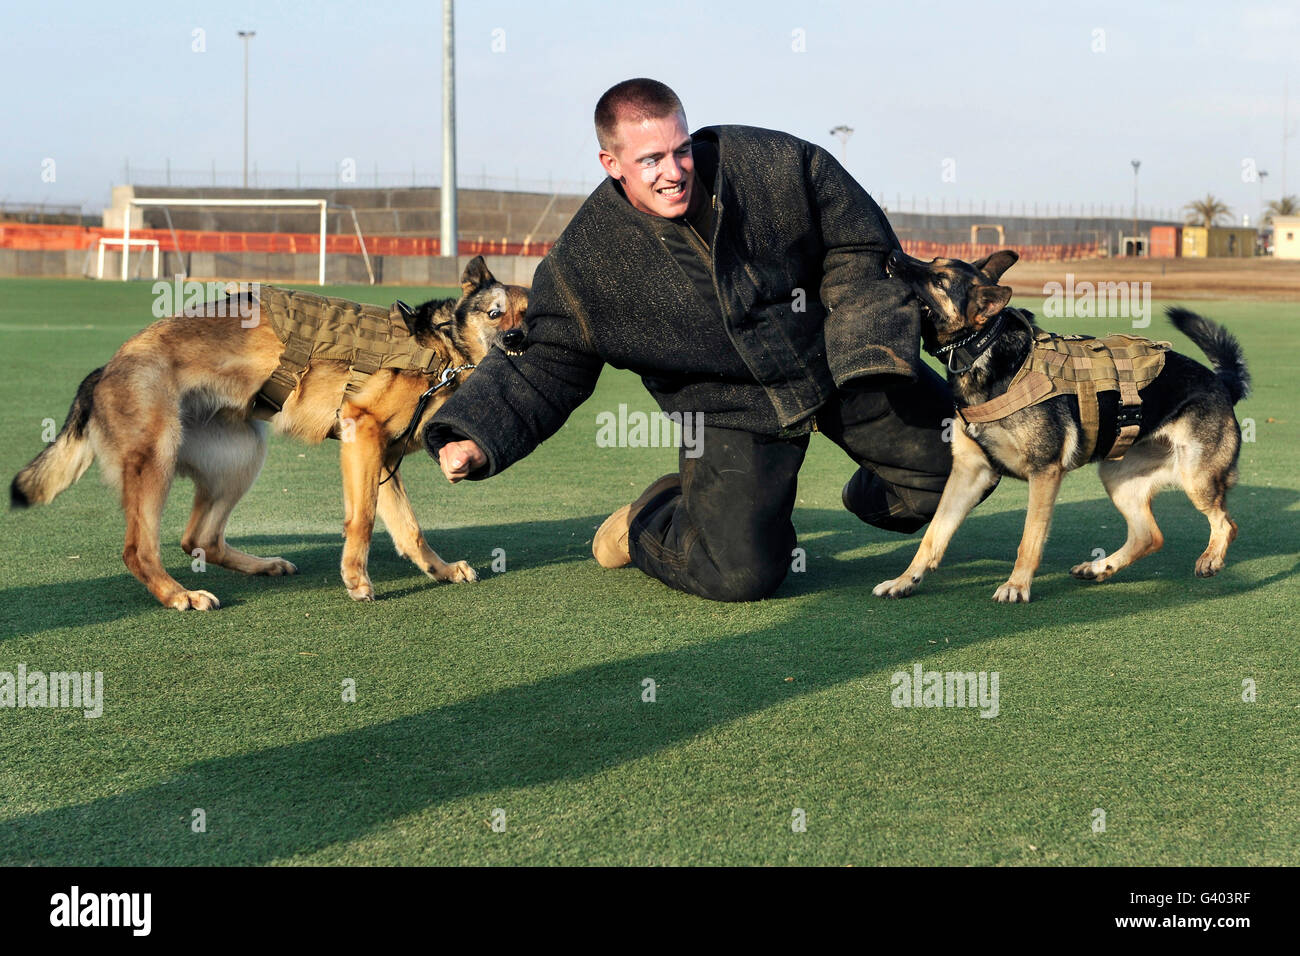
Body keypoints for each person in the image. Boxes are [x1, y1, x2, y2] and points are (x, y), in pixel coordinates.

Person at [424, 78, 961, 602]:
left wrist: (864, 345)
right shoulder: (586, 262)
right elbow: (547, 360)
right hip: (730, 407)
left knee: (961, 465)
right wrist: (476, 433)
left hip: (838, 362)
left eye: (680, 151)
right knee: (740, 573)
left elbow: (859, 242)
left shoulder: (775, 165)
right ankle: (652, 516)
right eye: (650, 160)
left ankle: (863, 495)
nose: (673, 172)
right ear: (611, 165)